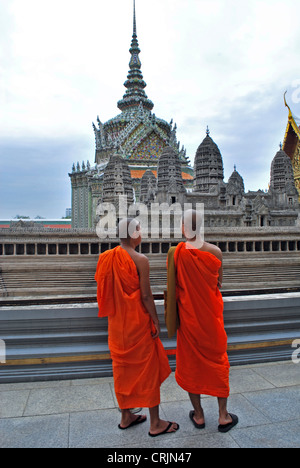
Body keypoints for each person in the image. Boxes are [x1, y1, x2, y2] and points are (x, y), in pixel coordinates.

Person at [95, 218, 179, 437]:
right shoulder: (140, 259)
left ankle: (126, 416)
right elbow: (145, 295)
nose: (142, 234)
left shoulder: (106, 258)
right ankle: (155, 423)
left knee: (121, 371)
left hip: (116, 326)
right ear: (133, 235)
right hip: (138, 324)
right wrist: (156, 319)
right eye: (140, 230)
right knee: (147, 372)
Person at [169, 209, 238, 433]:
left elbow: (174, 286)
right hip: (211, 321)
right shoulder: (215, 252)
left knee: (191, 366)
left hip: (189, 320)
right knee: (219, 362)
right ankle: (223, 415)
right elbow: (219, 283)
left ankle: (198, 415)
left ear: (184, 228)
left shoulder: (177, 252)